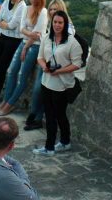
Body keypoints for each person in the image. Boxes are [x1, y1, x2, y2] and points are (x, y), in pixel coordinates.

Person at [32, 11, 82, 156]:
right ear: (51, 23)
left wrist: (59, 71)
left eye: (60, 22)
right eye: (55, 22)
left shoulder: (72, 42)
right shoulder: (47, 37)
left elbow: (77, 64)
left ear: (65, 24)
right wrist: (44, 67)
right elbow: (40, 57)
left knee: (58, 115)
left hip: (62, 85)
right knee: (51, 115)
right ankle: (62, 143)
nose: (57, 25)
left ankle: (51, 147)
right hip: (46, 82)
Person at [25, 0, 75, 131]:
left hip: (57, 68)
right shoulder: (51, 24)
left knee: (43, 93)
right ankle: (36, 117)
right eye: (51, 9)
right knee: (39, 91)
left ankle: (36, 118)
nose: (52, 12)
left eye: (56, 9)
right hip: (46, 64)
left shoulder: (68, 27)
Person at [0, 0, 47, 116]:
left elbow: (38, 35)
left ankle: (10, 104)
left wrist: (27, 39)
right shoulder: (26, 8)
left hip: (35, 46)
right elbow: (21, 29)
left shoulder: (43, 12)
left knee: (21, 76)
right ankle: (5, 100)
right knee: (11, 71)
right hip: (24, 42)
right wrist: (29, 34)